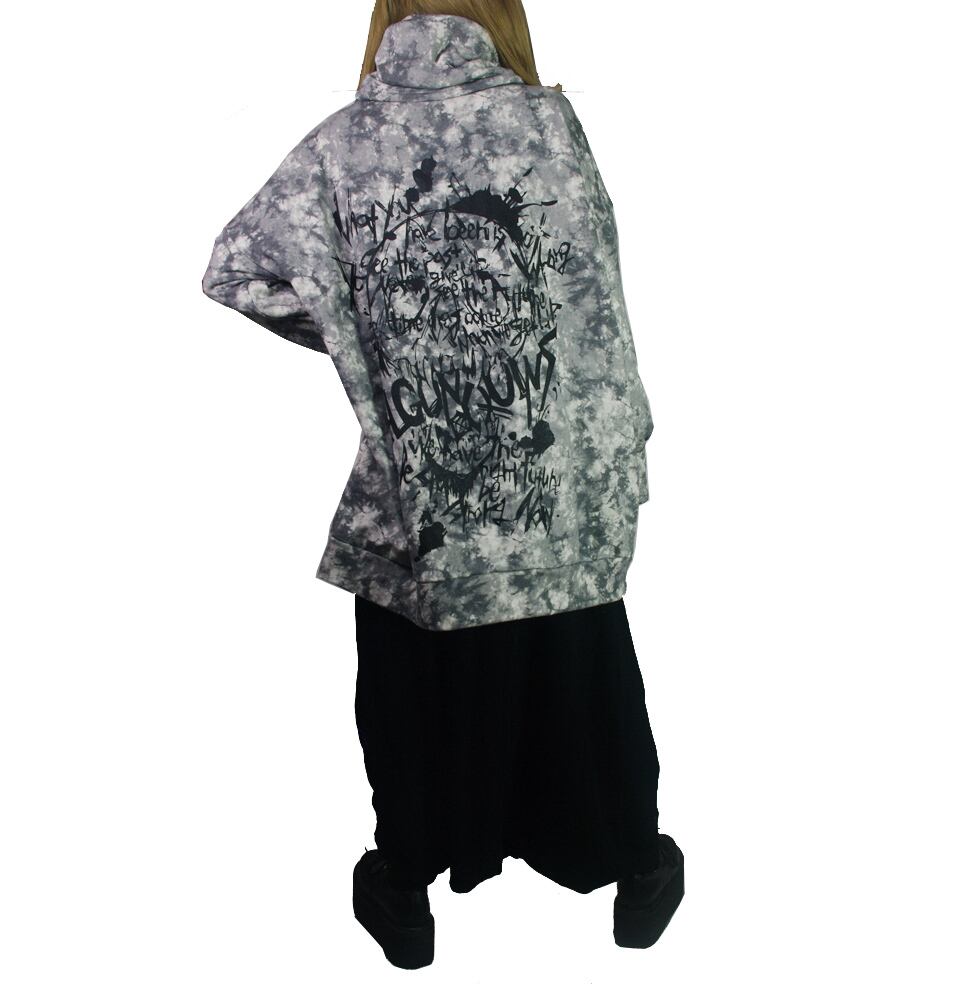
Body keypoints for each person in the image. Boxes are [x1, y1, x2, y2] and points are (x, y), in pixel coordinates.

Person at [201, 0, 684, 970]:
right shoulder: (550, 125)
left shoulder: (341, 146)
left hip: (427, 486)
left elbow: (237, 272)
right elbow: (593, 301)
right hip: (562, 483)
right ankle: (633, 868)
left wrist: (371, 341)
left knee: (413, 684)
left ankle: (408, 887)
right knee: (583, 675)